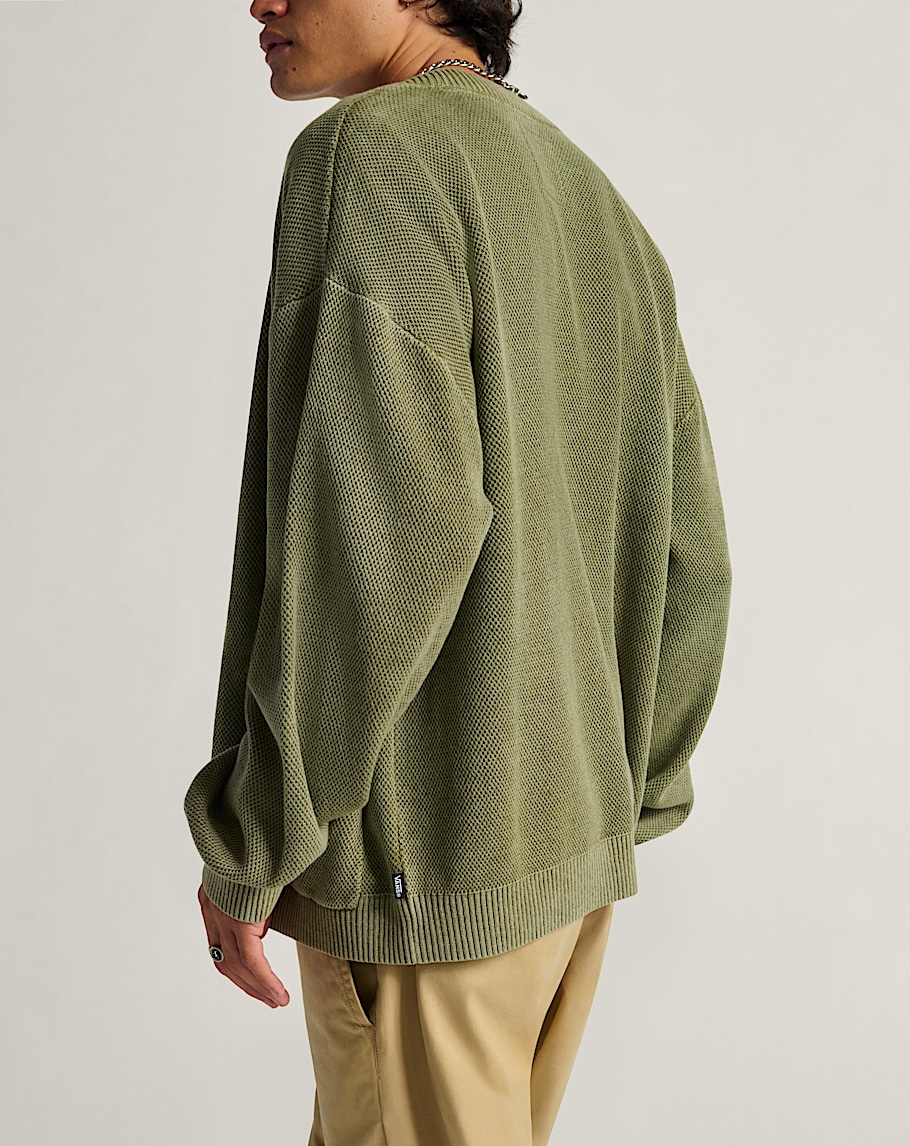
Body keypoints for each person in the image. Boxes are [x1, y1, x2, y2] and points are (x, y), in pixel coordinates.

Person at [183, 0, 732, 1142]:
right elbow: (691, 552)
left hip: (429, 866)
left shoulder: (374, 153)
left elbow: (377, 544)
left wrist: (252, 842)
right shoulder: (596, 206)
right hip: (560, 867)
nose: (260, 2)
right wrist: (625, 793)